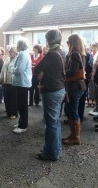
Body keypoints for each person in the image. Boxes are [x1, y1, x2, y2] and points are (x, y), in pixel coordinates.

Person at [34, 29, 66, 161]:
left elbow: (36, 69)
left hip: (51, 90)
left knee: (51, 123)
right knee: (55, 122)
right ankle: (55, 149)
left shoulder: (52, 54)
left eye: (46, 39)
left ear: (49, 40)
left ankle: (51, 153)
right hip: (59, 89)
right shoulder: (61, 52)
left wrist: (43, 71)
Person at [62, 34, 86, 145]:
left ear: (72, 43)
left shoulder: (74, 54)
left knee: (73, 111)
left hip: (75, 87)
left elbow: (73, 71)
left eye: (68, 41)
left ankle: (76, 137)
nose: (67, 44)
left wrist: (62, 72)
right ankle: (73, 135)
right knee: (72, 111)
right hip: (78, 86)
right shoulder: (80, 53)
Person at [11, 38, 32, 133]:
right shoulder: (23, 54)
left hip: (22, 83)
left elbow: (19, 70)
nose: (16, 46)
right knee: (20, 104)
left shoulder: (23, 55)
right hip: (21, 83)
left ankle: (23, 125)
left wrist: (12, 69)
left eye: (17, 45)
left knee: (22, 105)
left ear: (20, 46)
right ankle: (21, 122)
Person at [0, 45, 18, 119]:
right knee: (6, 98)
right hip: (5, 82)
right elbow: (3, 70)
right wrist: (0, 78)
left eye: (11, 51)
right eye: (9, 51)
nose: (9, 52)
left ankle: (14, 113)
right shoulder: (7, 59)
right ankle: (8, 112)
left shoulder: (17, 60)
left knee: (13, 99)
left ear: (15, 52)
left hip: (13, 83)